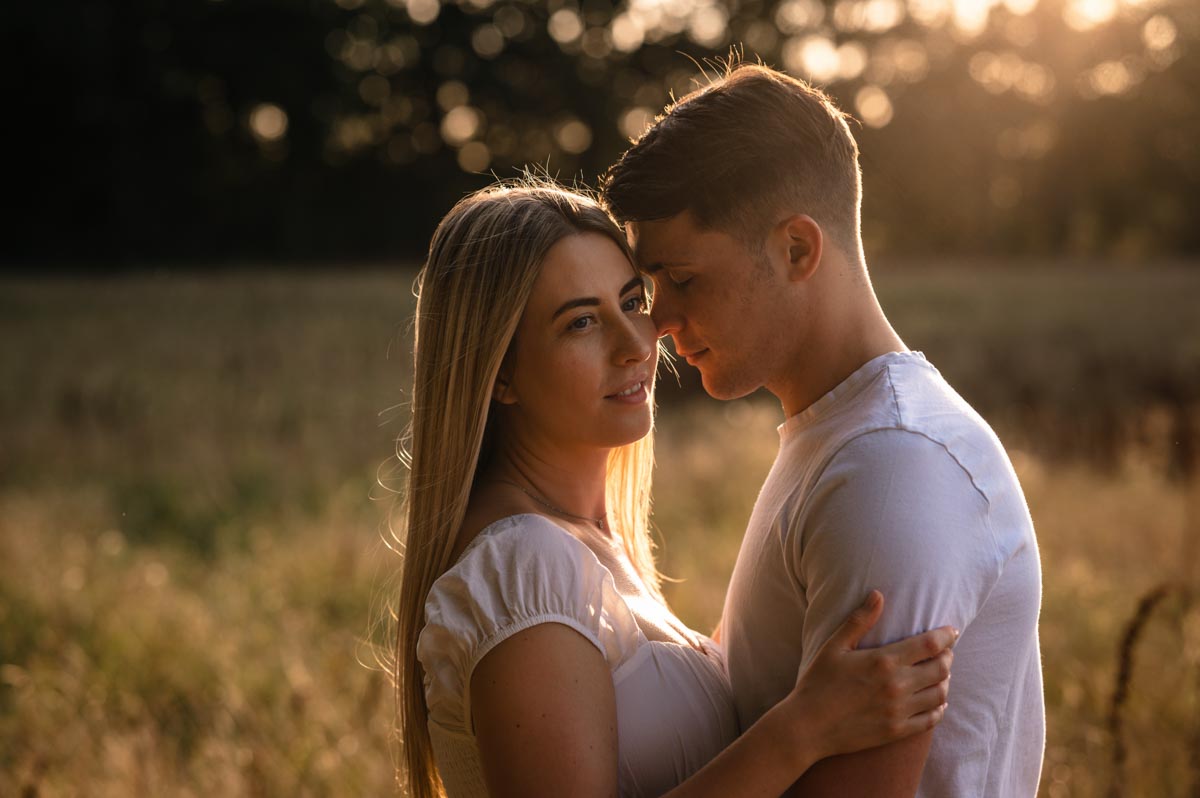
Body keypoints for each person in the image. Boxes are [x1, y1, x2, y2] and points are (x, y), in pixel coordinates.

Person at [391, 180, 958, 798]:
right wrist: (803, 730)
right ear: (500, 373)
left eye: (632, 302)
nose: (636, 344)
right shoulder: (522, 565)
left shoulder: (580, 542)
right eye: (581, 322)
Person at [600, 62, 1045, 796]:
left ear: (797, 250)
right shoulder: (844, 438)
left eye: (681, 279)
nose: (660, 321)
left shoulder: (893, 467)